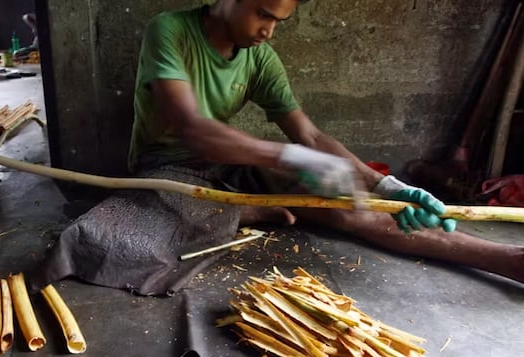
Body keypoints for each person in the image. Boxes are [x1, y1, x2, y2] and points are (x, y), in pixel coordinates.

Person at [124, 0, 524, 283]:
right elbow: (193, 128)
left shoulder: (260, 58)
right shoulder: (170, 30)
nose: (268, 31)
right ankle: (256, 211)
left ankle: (508, 260)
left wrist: (386, 186)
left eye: (279, 21)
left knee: (353, 207)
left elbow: (310, 135)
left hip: (232, 164)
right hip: (167, 167)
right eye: (262, 14)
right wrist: (293, 158)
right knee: (144, 220)